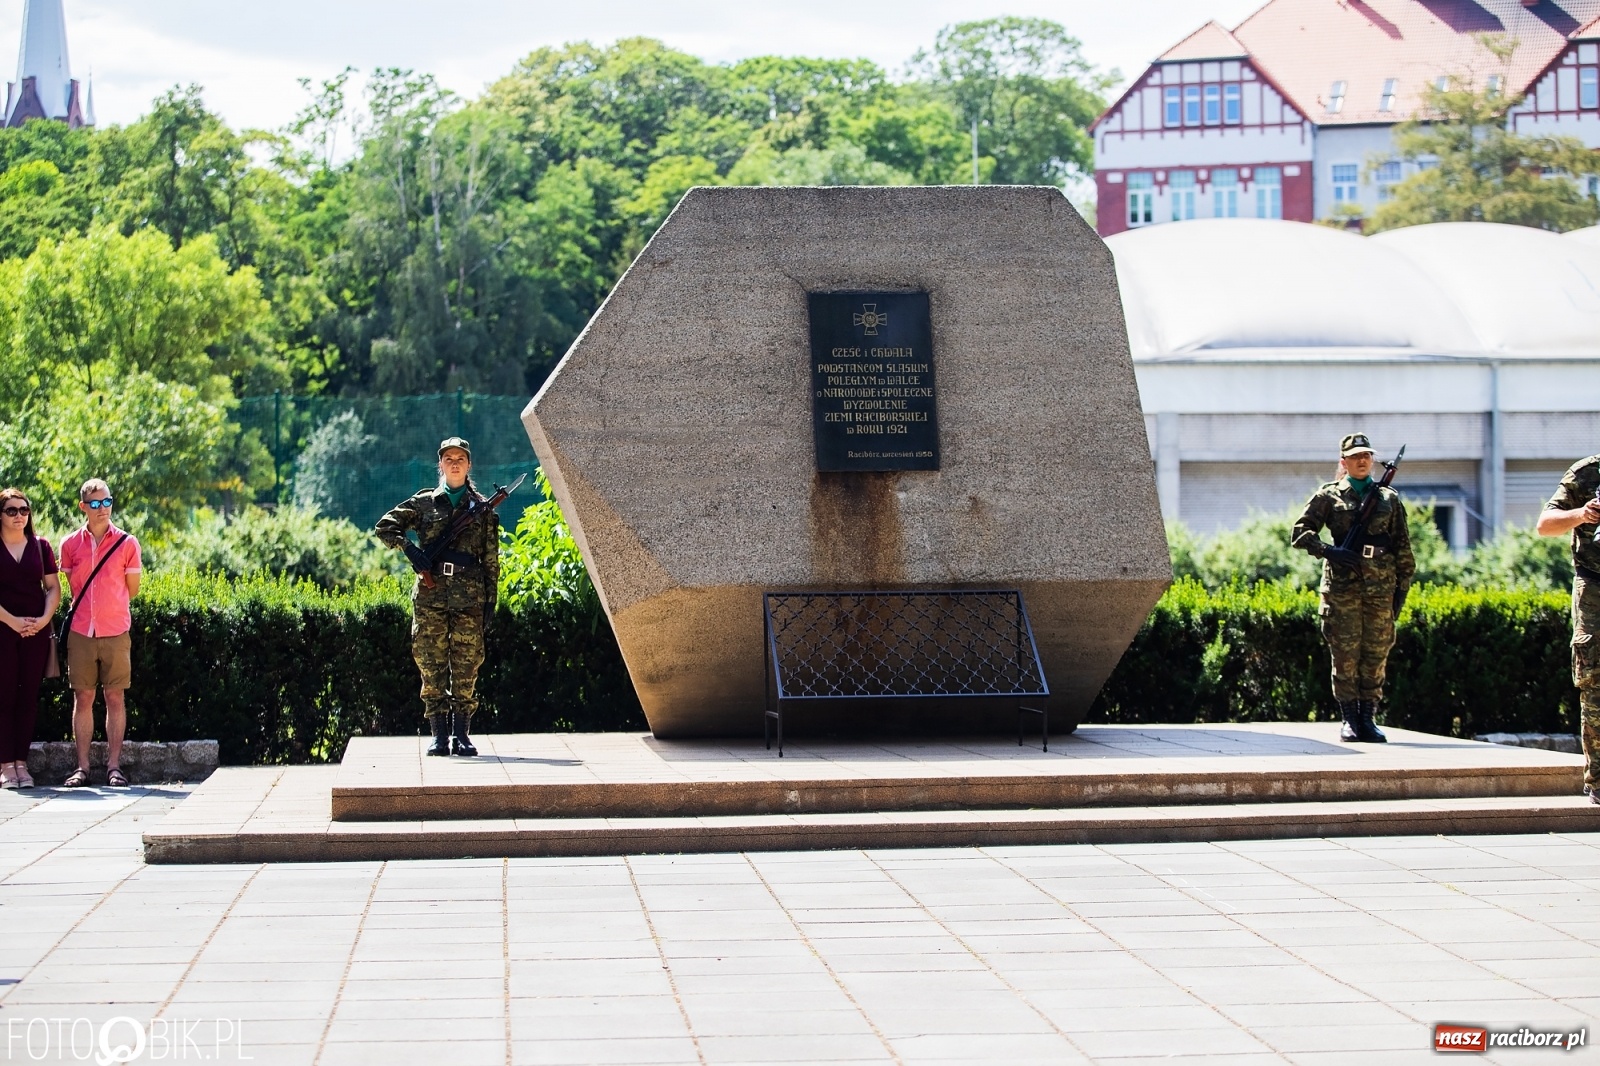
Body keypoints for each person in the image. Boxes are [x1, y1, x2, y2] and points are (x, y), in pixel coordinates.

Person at [374, 438, 500, 758]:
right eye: (448, 458)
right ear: (440, 465)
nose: (454, 463)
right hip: (430, 596)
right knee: (430, 664)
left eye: (460, 458)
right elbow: (385, 527)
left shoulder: (481, 510)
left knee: (466, 666)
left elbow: (491, 562)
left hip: (469, 599)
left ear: (469, 465)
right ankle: (439, 735)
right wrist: (410, 549)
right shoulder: (424, 503)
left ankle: (462, 734)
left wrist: (490, 602)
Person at [1291, 433, 1415, 743]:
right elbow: (1299, 533)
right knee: (1345, 655)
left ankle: (1368, 718)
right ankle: (1349, 719)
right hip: (1343, 588)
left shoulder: (1389, 499)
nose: (1362, 460)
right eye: (1355, 456)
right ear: (1343, 462)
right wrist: (1331, 552)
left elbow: (1403, 547)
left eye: (1367, 455)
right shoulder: (1328, 496)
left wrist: (1401, 590)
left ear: (1372, 460)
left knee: (1375, 654)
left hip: (1380, 588)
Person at [57, 479, 142, 788]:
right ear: (83, 507)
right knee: (83, 697)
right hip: (81, 630)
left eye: (106, 502)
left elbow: (132, 590)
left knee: (115, 696)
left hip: (116, 629)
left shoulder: (127, 543)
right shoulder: (69, 545)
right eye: (95, 504)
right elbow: (71, 587)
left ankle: (114, 767)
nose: (102, 508)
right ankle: (82, 768)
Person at [1536, 454, 1600, 804]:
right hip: (1595, 589)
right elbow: (1545, 524)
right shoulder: (1587, 472)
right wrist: (1582, 515)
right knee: (1595, 681)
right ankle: (1598, 780)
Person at [0, 489, 60, 789]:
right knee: (4, 696)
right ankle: (5, 766)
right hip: (2, 631)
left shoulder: (40, 546)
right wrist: (12, 621)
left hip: (35, 633)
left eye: (24, 510)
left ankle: (21, 764)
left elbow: (52, 587)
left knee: (27, 698)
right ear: (0, 514)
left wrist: (43, 620)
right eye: (12, 510)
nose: (19, 515)